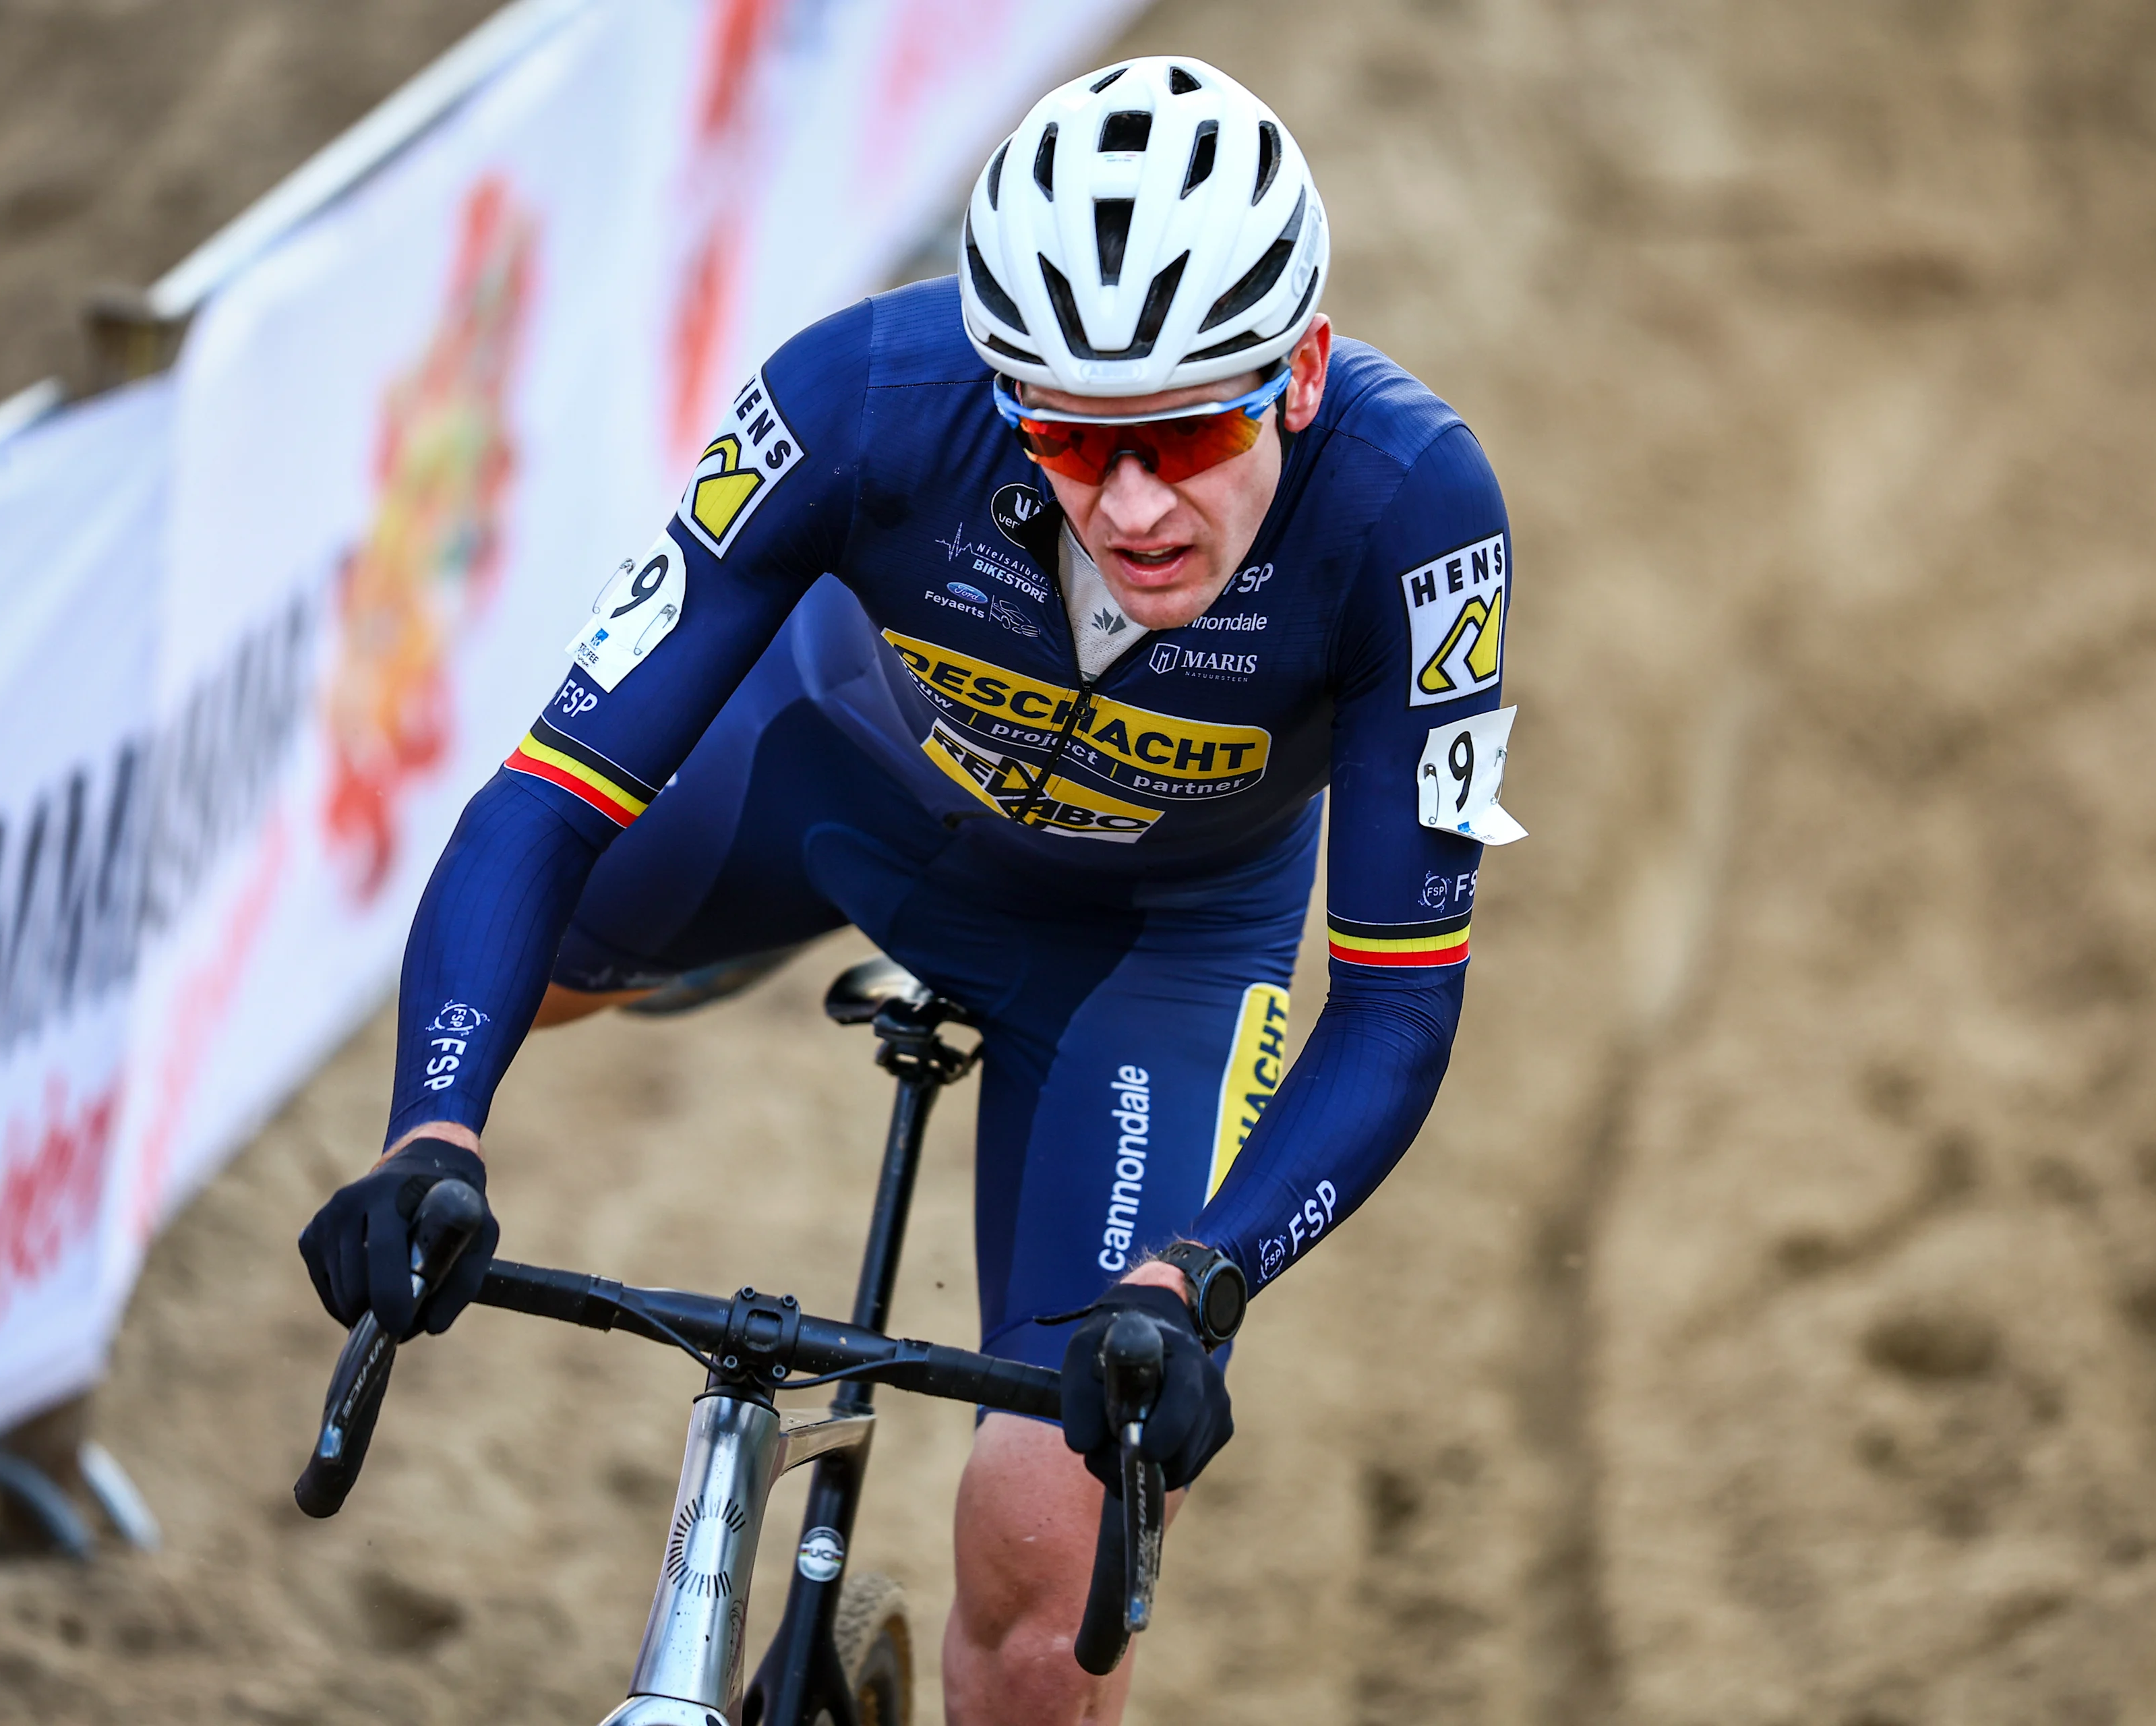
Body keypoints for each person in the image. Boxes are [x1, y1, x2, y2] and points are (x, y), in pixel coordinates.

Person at [297, 53, 1516, 1723]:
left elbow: (1392, 1001)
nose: (1138, 504)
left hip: (1150, 947)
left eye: (1196, 427)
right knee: (534, 972)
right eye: (1078, 440)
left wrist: (1194, 1277)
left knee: (1047, 1539)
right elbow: (545, 791)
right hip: (834, 790)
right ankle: (691, 951)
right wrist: (429, 1134)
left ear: (1303, 369)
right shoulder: (860, 392)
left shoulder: (1415, 517)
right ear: (1004, 383)